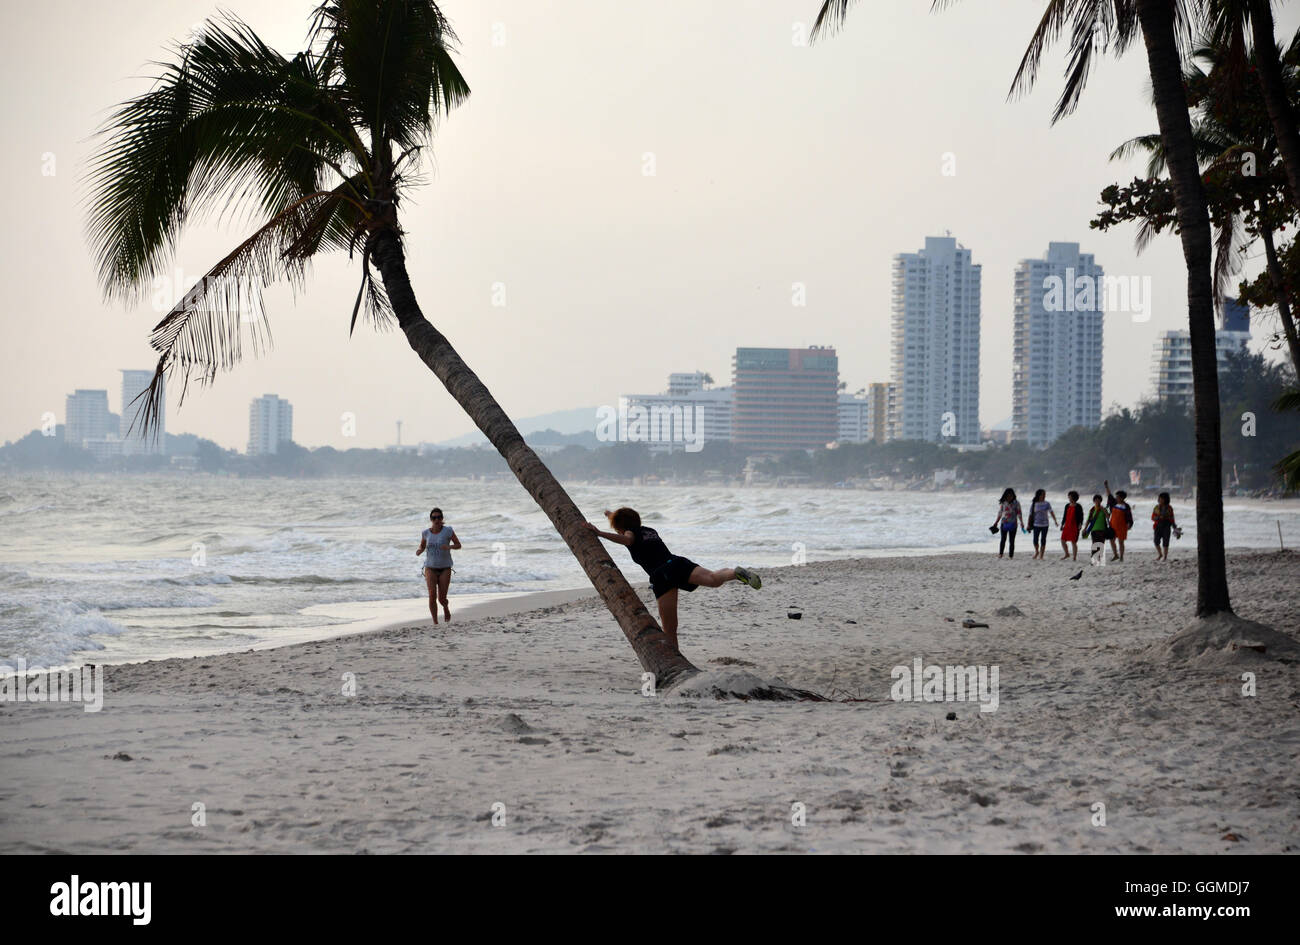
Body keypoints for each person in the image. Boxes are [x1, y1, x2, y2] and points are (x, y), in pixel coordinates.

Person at [585, 507, 760, 651]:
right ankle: (735, 573)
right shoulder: (650, 531)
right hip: (676, 562)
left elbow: (627, 539)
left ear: (621, 527)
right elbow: (626, 525)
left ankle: (675, 657)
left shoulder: (630, 534)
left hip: (662, 575)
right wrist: (610, 515)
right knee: (713, 579)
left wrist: (600, 533)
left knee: (670, 628)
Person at [416, 507, 461, 624]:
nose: (436, 520)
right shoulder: (425, 533)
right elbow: (422, 545)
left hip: (445, 568)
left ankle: (445, 608)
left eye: (439, 517)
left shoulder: (448, 531)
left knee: (441, 598)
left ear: (442, 518)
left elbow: (458, 545)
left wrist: (449, 547)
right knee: (432, 595)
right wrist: (420, 550)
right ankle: (435, 623)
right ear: (431, 519)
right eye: (434, 518)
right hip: (430, 567)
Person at [1104, 480, 1134, 562]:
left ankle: (1121, 557)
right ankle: (1115, 555)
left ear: (1122, 498)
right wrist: (1106, 486)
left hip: (1122, 527)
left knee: (1121, 542)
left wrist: (1129, 524)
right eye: (1116, 497)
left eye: (1117, 497)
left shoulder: (1126, 506)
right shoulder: (1114, 503)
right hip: (1113, 525)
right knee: (1111, 540)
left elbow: (1129, 517)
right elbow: (1109, 495)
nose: (1116, 498)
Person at [992, 488, 1025, 559]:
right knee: (1003, 539)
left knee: (1012, 540)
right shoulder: (1003, 502)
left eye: (1011, 496)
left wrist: (1021, 522)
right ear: (1005, 496)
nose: (1009, 497)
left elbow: (1019, 513)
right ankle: (1000, 554)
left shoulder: (1016, 503)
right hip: (1004, 523)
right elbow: (1000, 513)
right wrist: (996, 522)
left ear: (1013, 495)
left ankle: (1011, 555)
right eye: (1008, 496)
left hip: (1013, 524)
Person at [1027, 488, 1058, 560]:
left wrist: (1055, 521)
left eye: (1045, 495)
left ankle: (1041, 555)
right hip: (1036, 524)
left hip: (1045, 525)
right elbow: (1030, 515)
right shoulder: (1034, 504)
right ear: (1039, 495)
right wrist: (1028, 524)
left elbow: (1051, 512)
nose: (1044, 496)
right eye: (1043, 494)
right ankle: (1037, 551)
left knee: (1043, 540)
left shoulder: (1047, 503)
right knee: (1035, 540)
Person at [1082, 494, 1110, 565]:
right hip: (1094, 530)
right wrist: (1085, 528)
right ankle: (1094, 560)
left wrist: (1104, 510)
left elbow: (1108, 517)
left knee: (1101, 544)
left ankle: (1100, 559)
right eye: (1096, 500)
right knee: (1094, 544)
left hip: (1102, 529)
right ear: (1094, 501)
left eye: (1099, 500)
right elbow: (1088, 520)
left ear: (1101, 501)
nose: (1097, 501)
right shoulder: (1092, 510)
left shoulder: (1103, 509)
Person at [1152, 492, 1177, 561]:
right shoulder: (1156, 507)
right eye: (1159, 498)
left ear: (1166, 499)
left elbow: (1172, 518)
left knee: (1166, 542)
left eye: (1162, 499)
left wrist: (1174, 527)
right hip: (1157, 526)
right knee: (1156, 541)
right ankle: (1160, 554)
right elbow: (1152, 517)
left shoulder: (1169, 508)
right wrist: (1158, 517)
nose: (1160, 500)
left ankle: (1165, 556)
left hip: (1166, 526)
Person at [1059, 490, 1084, 561]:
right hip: (1067, 525)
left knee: (1073, 542)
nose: (1068, 498)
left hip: (1074, 526)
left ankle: (1074, 557)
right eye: (1068, 497)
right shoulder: (1067, 505)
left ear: (1073, 497)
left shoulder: (1078, 506)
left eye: (1069, 497)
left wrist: (1080, 524)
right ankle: (1067, 554)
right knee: (1063, 540)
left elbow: (1081, 516)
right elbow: (1064, 516)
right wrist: (1062, 524)